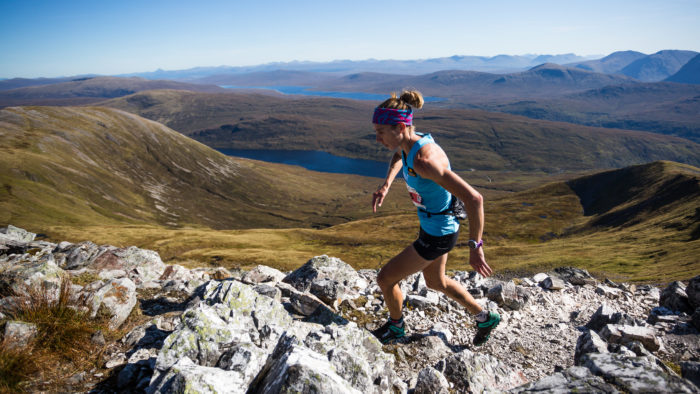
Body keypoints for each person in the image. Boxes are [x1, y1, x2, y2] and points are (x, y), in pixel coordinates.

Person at [370, 89, 500, 346]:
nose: (377, 139)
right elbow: (398, 157)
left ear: (399, 127)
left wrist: (475, 247)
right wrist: (386, 184)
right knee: (435, 281)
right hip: (438, 225)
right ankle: (484, 317)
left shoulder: (425, 161)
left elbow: (475, 199)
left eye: (380, 132)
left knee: (385, 278)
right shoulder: (410, 144)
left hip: (438, 233)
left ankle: (396, 330)